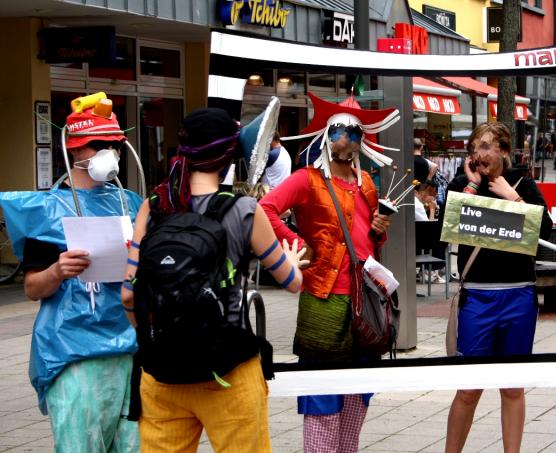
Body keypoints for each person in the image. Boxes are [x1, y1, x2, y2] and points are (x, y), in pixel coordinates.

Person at [122, 108, 305, 452]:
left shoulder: (153, 206)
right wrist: (293, 262)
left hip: (162, 373)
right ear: (228, 156)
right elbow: (291, 282)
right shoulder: (244, 210)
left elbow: (128, 296)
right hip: (228, 371)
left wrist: (158, 334)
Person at [0, 95, 141, 451]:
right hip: (73, 350)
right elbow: (33, 287)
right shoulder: (47, 211)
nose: (109, 152)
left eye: (114, 145)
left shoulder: (132, 204)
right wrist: (59, 270)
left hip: (131, 347)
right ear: (76, 152)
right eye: (98, 145)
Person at [259, 92, 397, 453]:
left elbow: (368, 240)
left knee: (357, 396)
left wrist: (380, 229)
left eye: (354, 131)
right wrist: (297, 244)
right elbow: (265, 209)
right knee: (322, 397)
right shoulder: (307, 180)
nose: (347, 137)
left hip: (363, 303)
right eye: (339, 129)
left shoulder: (366, 182)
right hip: (323, 298)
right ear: (325, 134)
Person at [444, 121, 553, 453]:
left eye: (488, 146)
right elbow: (445, 230)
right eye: (476, 146)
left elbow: (545, 234)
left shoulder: (524, 184)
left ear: (504, 151)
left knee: (512, 386)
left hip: (517, 294)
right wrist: (472, 191)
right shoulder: (463, 183)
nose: (480, 153)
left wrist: (513, 197)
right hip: (477, 295)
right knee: (468, 387)